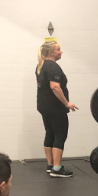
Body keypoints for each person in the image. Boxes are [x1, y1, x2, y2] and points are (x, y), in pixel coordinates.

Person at [36, 41, 78, 178]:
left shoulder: (40, 66)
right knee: (61, 134)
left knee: (50, 133)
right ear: (51, 52)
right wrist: (67, 103)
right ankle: (57, 168)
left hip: (44, 106)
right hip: (55, 107)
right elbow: (55, 87)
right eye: (58, 49)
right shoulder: (53, 66)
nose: (61, 52)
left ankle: (50, 165)